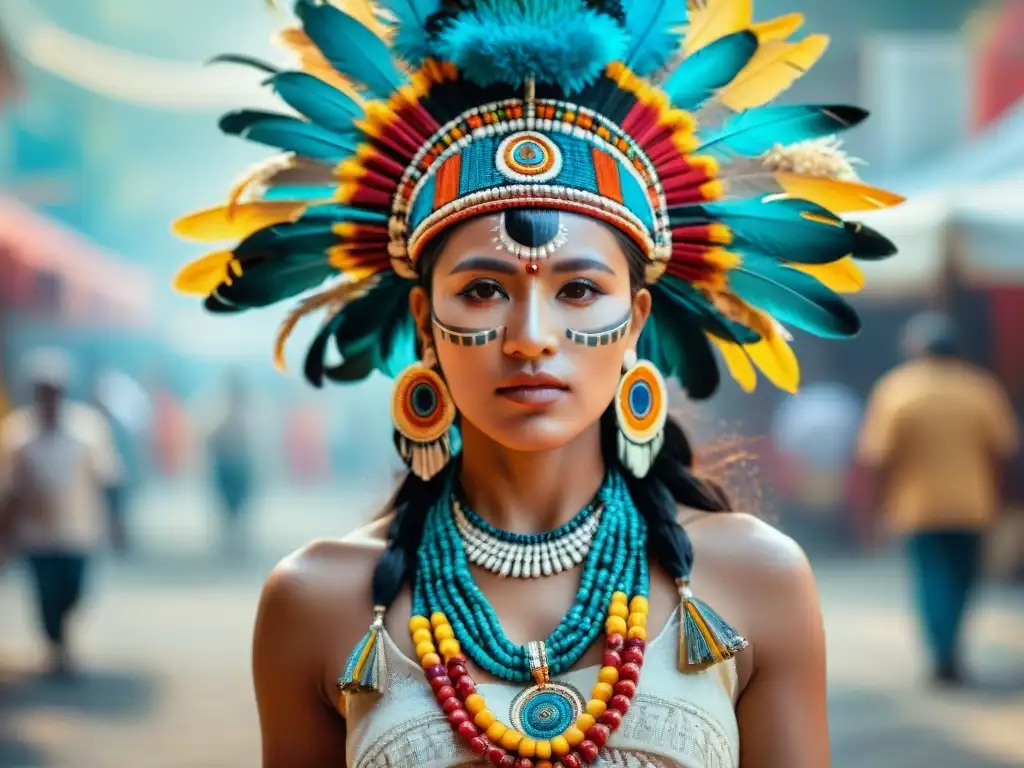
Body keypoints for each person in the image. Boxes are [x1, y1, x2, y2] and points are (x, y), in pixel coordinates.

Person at [172, 1, 902, 765]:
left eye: (579, 291)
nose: (529, 339)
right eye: (482, 291)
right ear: (424, 320)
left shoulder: (757, 580)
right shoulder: (316, 601)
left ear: (635, 318)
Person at [858, 311, 1019, 686]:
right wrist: (1001, 497)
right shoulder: (980, 388)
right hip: (972, 506)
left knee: (931, 579)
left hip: (918, 508)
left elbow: (878, 458)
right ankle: (950, 649)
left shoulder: (896, 390)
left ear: (915, 349)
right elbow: (1002, 452)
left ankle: (943, 652)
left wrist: (876, 505)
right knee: (963, 580)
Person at [0, 347, 123, 677]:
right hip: (35, 533)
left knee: (74, 591)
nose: (49, 398)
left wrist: (116, 522)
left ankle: (63, 633)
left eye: (54, 391)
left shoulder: (88, 429)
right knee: (45, 593)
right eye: (43, 391)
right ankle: (57, 646)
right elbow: (10, 488)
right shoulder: (17, 434)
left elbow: (108, 478)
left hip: (78, 530)